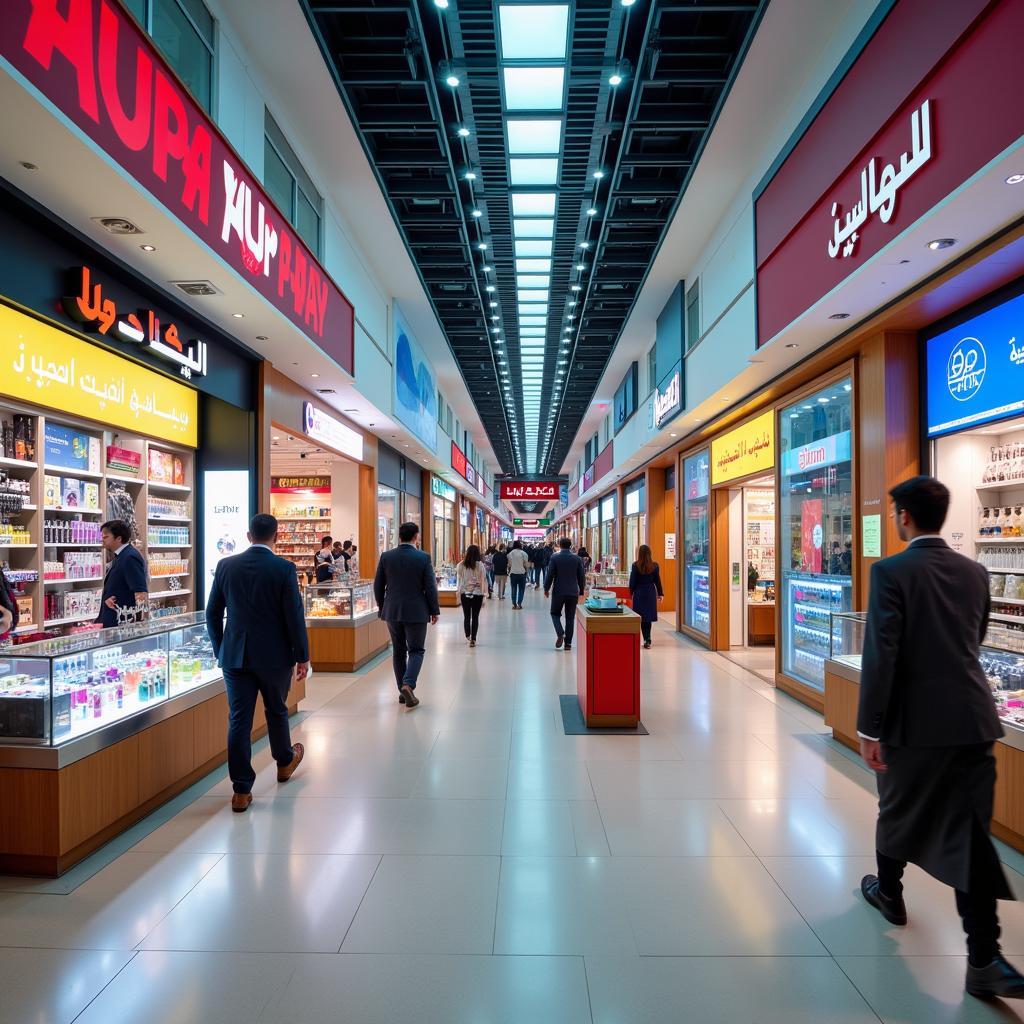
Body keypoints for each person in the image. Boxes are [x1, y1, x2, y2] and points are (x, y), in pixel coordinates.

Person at [857, 476, 1024, 999]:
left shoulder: (890, 572)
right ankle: (984, 957)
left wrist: (870, 727)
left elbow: (882, 655)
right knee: (969, 833)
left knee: (900, 809)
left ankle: (890, 892)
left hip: (915, 724)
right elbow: (972, 641)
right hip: (973, 722)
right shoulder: (975, 572)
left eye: (893, 513)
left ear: (905, 516)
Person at [206, 513, 309, 813]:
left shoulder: (226, 566)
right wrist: (302, 655)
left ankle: (241, 790)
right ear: (276, 537)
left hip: (235, 656)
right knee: (276, 709)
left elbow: (212, 613)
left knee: (239, 718)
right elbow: (294, 616)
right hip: (275, 656)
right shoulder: (283, 568)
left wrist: (221, 648)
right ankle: (284, 761)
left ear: (249, 536)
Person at [373, 521, 440, 708]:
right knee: (416, 650)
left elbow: (378, 585)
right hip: (417, 611)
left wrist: (382, 606)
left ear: (399, 537)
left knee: (398, 651)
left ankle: (402, 692)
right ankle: (408, 684)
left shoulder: (386, 557)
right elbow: (430, 587)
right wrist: (434, 610)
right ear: (415, 537)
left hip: (392, 610)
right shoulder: (423, 558)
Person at [97, 520, 148, 628]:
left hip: (123, 625)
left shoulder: (129, 557)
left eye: (106, 537)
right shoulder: (121, 556)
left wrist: (118, 606)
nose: (102, 540)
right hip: (115, 621)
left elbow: (140, 593)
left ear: (119, 538)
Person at [544, 537, 585, 650]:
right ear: (570, 545)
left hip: (558, 591)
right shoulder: (577, 559)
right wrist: (581, 590)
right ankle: (568, 644)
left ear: (560, 545)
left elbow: (550, 574)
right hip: (572, 592)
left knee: (554, 613)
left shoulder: (555, 557)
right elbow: (581, 576)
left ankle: (560, 633)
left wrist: (546, 588)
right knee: (570, 618)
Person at [629, 544, 664, 649]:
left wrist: (631, 592)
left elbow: (632, 582)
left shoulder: (636, 565)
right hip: (650, 592)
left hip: (639, 592)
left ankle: (639, 638)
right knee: (647, 617)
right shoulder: (655, 566)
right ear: (650, 553)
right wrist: (660, 593)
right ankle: (647, 639)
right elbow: (657, 581)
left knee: (640, 616)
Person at [457, 544, 487, 646]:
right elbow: (483, 579)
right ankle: (473, 639)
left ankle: (467, 635)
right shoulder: (480, 565)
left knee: (466, 616)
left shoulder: (462, 565)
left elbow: (459, 575)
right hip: (477, 593)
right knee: (475, 616)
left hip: (465, 593)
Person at [507, 540, 530, 609]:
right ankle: (519, 604)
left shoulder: (510, 554)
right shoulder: (524, 553)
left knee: (513, 589)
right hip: (522, 573)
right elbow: (526, 565)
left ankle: (514, 604)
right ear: (520, 545)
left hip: (513, 573)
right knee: (521, 589)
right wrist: (527, 573)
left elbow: (509, 564)